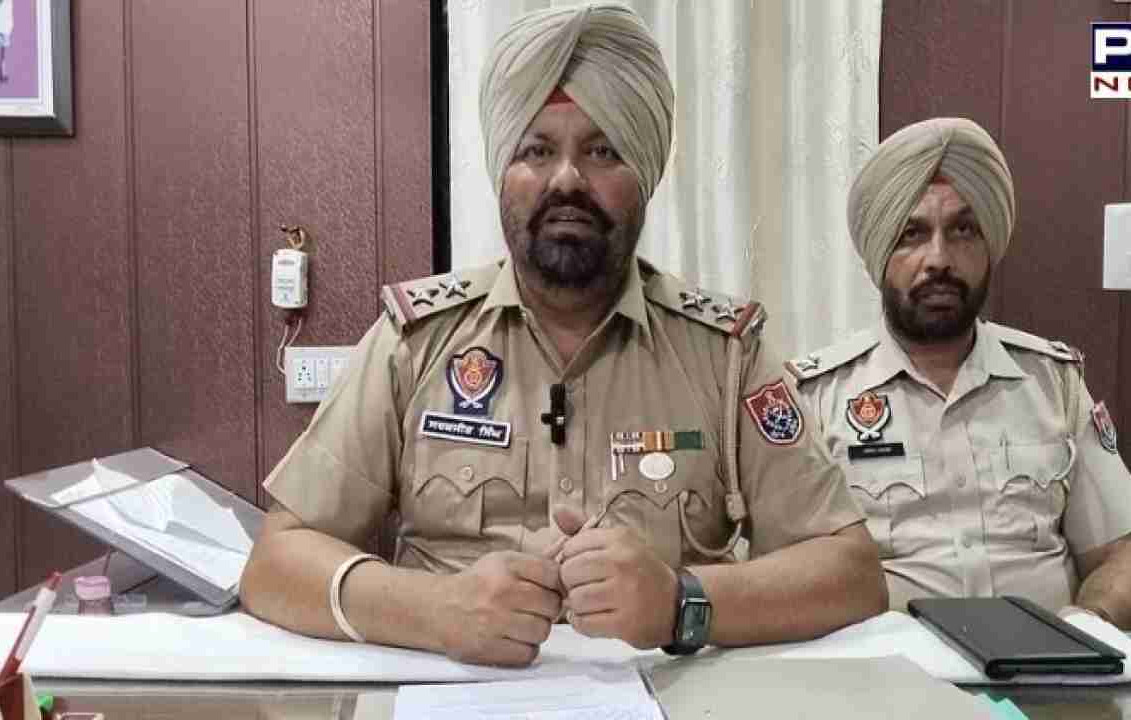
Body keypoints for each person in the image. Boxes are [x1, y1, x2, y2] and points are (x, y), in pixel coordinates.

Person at [240, 3, 885, 668]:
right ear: (502, 174)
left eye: (603, 150)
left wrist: (682, 601)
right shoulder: (415, 343)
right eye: (537, 150)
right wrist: (434, 609)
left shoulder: (725, 355)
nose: (568, 178)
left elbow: (851, 572)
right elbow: (275, 561)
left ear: (645, 176)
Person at [790, 117, 1131, 630]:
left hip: (1045, 666)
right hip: (887, 672)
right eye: (912, 234)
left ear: (989, 247)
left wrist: (1087, 629)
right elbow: (788, 575)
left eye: (963, 230)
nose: (939, 259)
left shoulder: (1052, 382)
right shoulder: (816, 397)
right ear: (880, 253)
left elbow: (1121, 556)